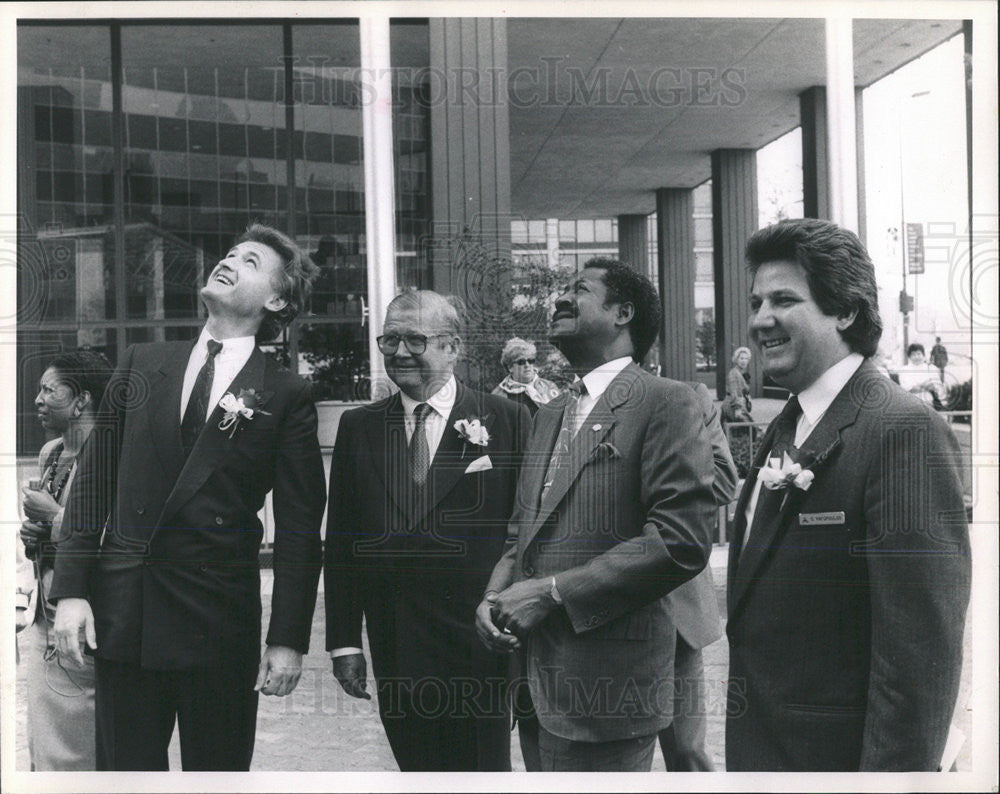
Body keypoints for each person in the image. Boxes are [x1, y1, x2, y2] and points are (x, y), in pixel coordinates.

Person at [49, 224, 326, 771]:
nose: (228, 260)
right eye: (228, 252)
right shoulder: (140, 362)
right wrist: (72, 592)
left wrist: (288, 639)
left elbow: (298, 529)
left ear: (277, 299)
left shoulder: (287, 392)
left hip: (217, 625)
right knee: (124, 778)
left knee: (217, 777)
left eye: (249, 260)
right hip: (126, 616)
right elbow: (94, 486)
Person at [726, 218, 970, 771]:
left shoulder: (902, 432)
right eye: (757, 300)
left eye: (784, 299)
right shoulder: (789, 422)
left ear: (847, 311)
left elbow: (918, 662)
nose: (760, 319)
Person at [476, 259, 716, 771]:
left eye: (578, 290)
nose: (560, 299)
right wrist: (494, 597)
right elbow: (522, 538)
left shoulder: (667, 402)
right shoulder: (549, 414)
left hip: (606, 688)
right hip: (536, 682)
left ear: (623, 313)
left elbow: (679, 542)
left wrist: (550, 592)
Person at [324, 290, 531, 771]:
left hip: (478, 647)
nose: (399, 352)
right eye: (389, 339)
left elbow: (524, 534)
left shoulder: (507, 420)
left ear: (453, 346)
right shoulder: (359, 427)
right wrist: (344, 642)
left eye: (414, 340)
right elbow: (342, 544)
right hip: (396, 646)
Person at [19, 350, 113, 770]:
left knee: (80, 744)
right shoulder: (50, 453)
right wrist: (34, 537)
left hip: (88, 623)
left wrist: (53, 519)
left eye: (48, 390)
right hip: (46, 617)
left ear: (81, 401)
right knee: (43, 744)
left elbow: (114, 541)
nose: (37, 400)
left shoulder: (112, 457)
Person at [657, 380, 739, 771]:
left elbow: (724, 480)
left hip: (676, 607)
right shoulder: (568, 406)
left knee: (687, 753)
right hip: (597, 610)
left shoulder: (689, 397)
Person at [491, 337, 561, 416]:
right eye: (521, 362)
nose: (527, 365)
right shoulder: (500, 395)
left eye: (530, 361)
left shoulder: (549, 386)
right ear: (510, 367)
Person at [722, 346, 754, 424]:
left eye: (746, 359)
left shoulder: (739, 373)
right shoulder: (733, 373)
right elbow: (734, 392)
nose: (744, 361)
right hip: (733, 406)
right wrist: (737, 409)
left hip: (738, 405)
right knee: (753, 430)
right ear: (736, 360)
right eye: (741, 358)